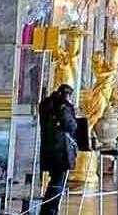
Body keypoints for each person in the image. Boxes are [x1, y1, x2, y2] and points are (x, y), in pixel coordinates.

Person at [38, 83, 79, 215]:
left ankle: (48, 209)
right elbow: (70, 126)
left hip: (48, 147)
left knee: (54, 179)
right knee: (58, 181)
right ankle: (50, 210)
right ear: (67, 95)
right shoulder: (63, 107)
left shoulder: (46, 104)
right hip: (61, 150)